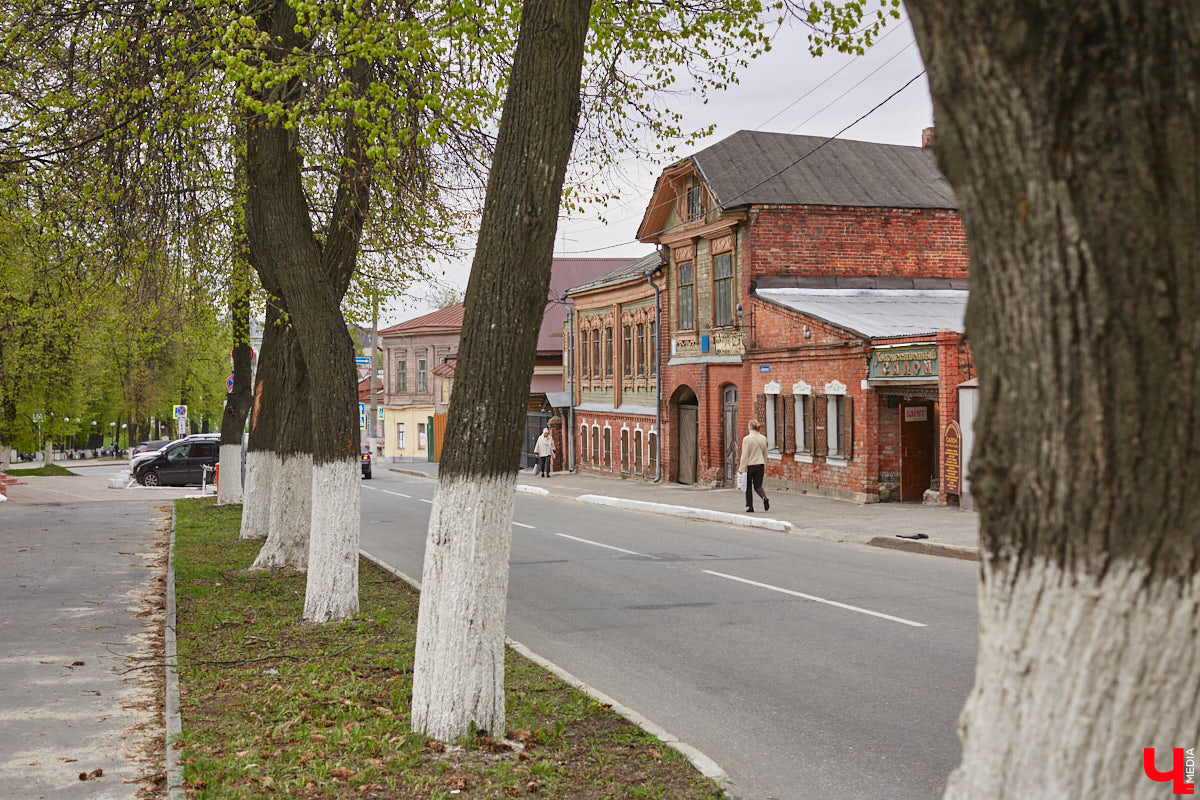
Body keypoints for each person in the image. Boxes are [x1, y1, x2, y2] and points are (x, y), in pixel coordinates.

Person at [738, 419, 770, 513]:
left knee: (748, 487)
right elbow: (765, 453)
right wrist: (765, 464)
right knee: (758, 486)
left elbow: (745, 455)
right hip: (760, 464)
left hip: (750, 466)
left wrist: (741, 468)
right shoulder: (763, 438)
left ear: (751, 427)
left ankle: (750, 507)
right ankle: (764, 497)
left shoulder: (747, 439)